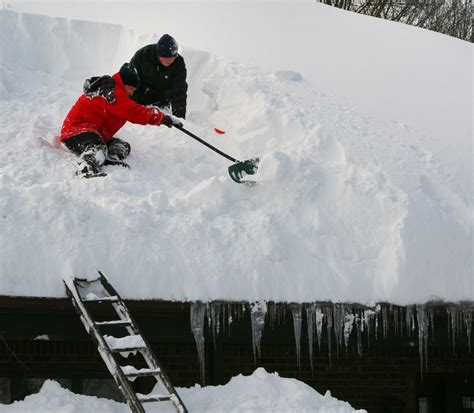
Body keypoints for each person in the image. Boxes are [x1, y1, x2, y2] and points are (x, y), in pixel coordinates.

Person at [60, 62, 182, 177]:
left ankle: (105, 159)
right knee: (97, 149)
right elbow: (133, 112)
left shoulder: (114, 90)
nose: (132, 93)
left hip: (94, 132)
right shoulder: (112, 93)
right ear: (126, 84)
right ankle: (87, 169)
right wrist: (161, 118)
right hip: (76, 132)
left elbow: (132, 109)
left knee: (123, 148)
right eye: (132, 89)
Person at [130, 34, 188, 119]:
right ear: (159, 55)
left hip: (162, 103)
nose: (171, 60)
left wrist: (179, 118)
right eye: (168, 57)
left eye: (174, 57)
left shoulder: (178, 63)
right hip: (139, 101)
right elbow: (129, 79)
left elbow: (179, 90)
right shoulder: (143, 55)